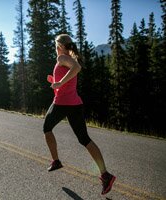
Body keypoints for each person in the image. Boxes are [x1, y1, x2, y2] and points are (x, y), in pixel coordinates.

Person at [43, 34, 116, 195]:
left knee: (46, 128)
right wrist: (55, 80)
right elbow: (69, 78)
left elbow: (77, 68)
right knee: (84, 139)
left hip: (62, 104)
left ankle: (56, 161)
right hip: (74, 104)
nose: (55, 49)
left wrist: (59, 83)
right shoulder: (66, 58)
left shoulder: (63, 57)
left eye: (56, 46)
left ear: (60, 46)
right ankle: (106, 175)